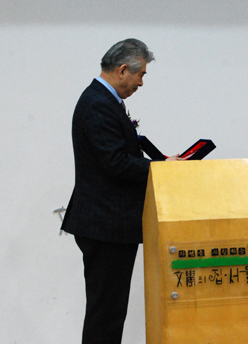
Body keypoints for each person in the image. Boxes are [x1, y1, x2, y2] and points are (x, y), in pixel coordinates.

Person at [61, 38, 179, 344]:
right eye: (141, 75)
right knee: (106, 312)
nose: (141, 83)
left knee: (109, 310)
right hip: (106, 224)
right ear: (123, 69)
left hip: (107, 223)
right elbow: (115, 163)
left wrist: (158, 162)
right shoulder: (98, 103)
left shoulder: (102, 99)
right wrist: (161, 169)